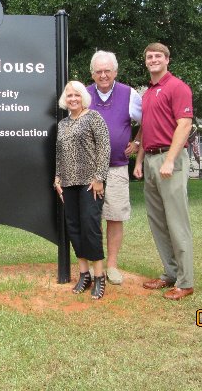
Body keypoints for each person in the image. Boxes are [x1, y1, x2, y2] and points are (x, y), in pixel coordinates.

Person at [133, 42, 194, 300]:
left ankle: (186, 281)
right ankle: (169, 274)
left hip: (171, 159)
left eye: (158, 56)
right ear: (145, 61)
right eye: (150, 56)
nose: (154, 59)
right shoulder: (147, 93)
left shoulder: (177, 87)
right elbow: (146, 127)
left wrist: (169, 160)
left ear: (167, 60)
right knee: (157, 221)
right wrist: (138, 160)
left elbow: (184, 125)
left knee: (176, 221)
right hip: (150, 159)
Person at [87, 50, 142, 285]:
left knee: (115, 216)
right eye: (98, 71)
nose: (103, 75)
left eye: (107, 70)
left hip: (117, 167)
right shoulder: (84, 95)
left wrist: (138, 142)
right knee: (91, 218)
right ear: (92, 73)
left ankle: (112, 266)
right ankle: (93, 264)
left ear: (115, 72)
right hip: (89, 169)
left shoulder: (130, 94)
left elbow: (147, 121)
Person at [54, 81, 111, 299]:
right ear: (64, 99)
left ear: (83, 97)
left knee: (90, 227)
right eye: (69, 95)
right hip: (68, 183)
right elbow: (59, 153)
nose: (73, 99)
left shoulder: (93, 117)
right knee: (74, 228)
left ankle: (99, 277)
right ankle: (84, 274)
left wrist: (99, 178)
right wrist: (57, 178)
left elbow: (104, 148)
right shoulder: (63, 123)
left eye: (76, 94)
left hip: (90, 184)